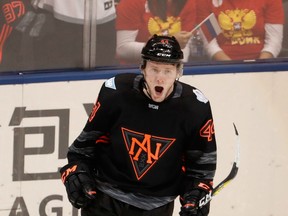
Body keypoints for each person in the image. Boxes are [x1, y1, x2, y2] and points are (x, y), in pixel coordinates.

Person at [60, 34, 217, 216]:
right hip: (104, 201)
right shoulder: (116, 93)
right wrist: (76, 174)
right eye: (154, 69)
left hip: (156, 208)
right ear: (142, 68)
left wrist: (195, 196)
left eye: (167, 71)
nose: (160, 78)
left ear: (178, 72)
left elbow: (201, 169)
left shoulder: (195, 108)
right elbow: (80, 151)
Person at [196, 0, 285, 61]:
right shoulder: (205, 2)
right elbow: (211, 45)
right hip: (223, 67)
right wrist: (234, 69)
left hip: (262, 65)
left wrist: (259, 67)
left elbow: (274, 41)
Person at [115, 0, 196, 64]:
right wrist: (166, 44)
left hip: (170, 70)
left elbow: (184, 46)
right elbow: (122, 49)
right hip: (135, 71)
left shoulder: (188, 2)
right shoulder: (132, 2)